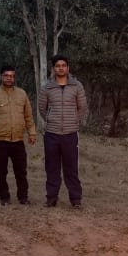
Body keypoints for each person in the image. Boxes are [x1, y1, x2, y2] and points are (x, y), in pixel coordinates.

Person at [37, 54, 88, 208]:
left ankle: (76, 199)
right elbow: (42, 108)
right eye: (58, 66)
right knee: (52, 167)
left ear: (68, 68)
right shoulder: (47, 87)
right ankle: (51, 198)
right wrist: (51, 119)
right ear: (53, 68)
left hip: (70, 134)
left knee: (71, 168)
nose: (61, 68)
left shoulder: (77, 86)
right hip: (52, 134)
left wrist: (73, 120)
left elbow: (82, 107)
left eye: (63, 65)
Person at [0, 64, 36, 205]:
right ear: (1, 77)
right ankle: (4, 198)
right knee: (1, 172)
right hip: (0, 140)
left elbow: (28, 116)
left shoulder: (22, 94)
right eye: (6, 75)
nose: (9, 78)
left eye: (12, 76)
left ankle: (23, 197)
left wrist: (32, 133)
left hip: (18, 140)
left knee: (21, 171)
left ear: (14, 78)